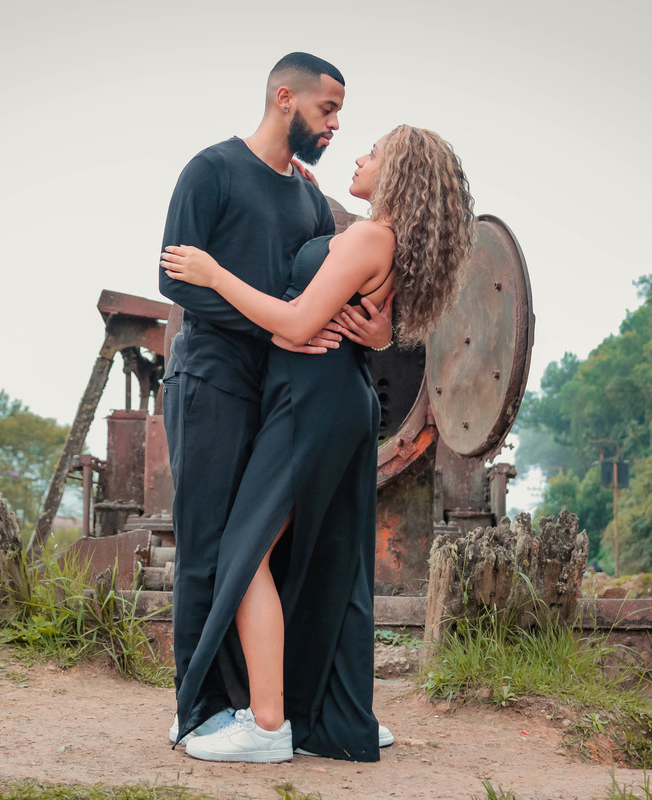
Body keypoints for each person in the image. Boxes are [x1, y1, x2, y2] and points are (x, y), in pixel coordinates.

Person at [161, 125, 475, 763]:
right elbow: (357, 316)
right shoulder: (380, 238)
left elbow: (300, 323)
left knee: (245, 554)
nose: (358, 156)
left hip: (312, 401)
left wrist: (215, 274)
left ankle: (267, 726)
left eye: (374, 152)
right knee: (334, 561)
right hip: (334, 397)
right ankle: (335, 717)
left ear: (400, 173)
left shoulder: (368, 238)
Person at [158, 53, 395, 750]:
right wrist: (279, 329)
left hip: (281, 395)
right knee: (207, 550)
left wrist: (379, 332)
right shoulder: (210, 170)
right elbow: (176, 279)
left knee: (266, 553)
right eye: (328, 109)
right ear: (285, 98)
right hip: (212, 384)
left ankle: (266, 708)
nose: (336, 125)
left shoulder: (309, 199)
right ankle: (199, 708)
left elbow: (336, 284)